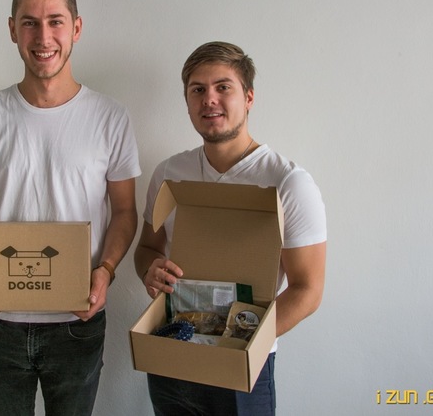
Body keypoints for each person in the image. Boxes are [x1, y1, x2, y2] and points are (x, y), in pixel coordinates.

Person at [0, 0, 141, 416]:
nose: (43, 37)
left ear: (76, 28)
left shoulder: (110, 118)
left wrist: (106, 270)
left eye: (55, 21)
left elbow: (124, 211)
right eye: (30, 23)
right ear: (12, 30)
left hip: (76, 321)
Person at [133, 41, 327, 416]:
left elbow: (308, 290)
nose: (210, 99)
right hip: (173, 349)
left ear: (249, 97)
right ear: (187, 102)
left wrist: (242, 344)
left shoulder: (288, 183)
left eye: (223, 87)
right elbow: (147, 250)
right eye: (198, 90)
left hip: (243, 365)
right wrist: (149, 270)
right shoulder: (169, 174)